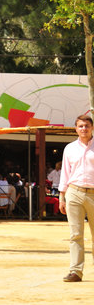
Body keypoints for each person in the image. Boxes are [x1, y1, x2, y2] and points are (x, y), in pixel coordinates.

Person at [58, 114, 94, 282]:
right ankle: (76, 272)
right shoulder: (69, 148)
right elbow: (65, 173)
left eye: (87, 126)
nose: (84, 129)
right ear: (76, 129)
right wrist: (61, 196)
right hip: (74, 192)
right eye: (80, 126)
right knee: (76, 234)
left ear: (92, 127)